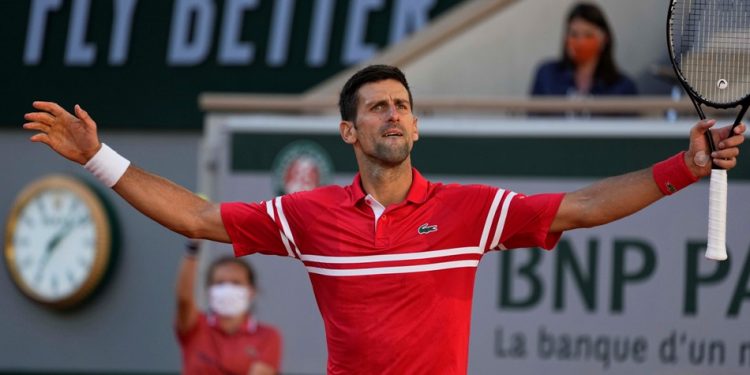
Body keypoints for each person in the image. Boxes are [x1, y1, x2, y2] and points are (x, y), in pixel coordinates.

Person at [23, 64, 744, 374]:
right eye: (377, 106)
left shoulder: (468, 209)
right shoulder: (309, 216)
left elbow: (583, 207)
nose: (393, 113)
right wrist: (99, 159)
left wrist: (686, 167)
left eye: (402, 104)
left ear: (417, 125)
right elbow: (203, 215)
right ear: (350, 132)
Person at [176, 239, 281, 375]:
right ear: (209, 290)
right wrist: (192, 249)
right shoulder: (196, 327)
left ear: (251, 291)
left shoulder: (268, 336)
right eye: (220, 283)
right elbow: (184, 299)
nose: (227, 289)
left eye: (236, 283)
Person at [531, 2, 638, 96]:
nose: (580, 41)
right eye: (574, 34)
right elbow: (532, 117)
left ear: (604, 39)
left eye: (588, 35)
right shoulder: (547, 76)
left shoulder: (622, 87)